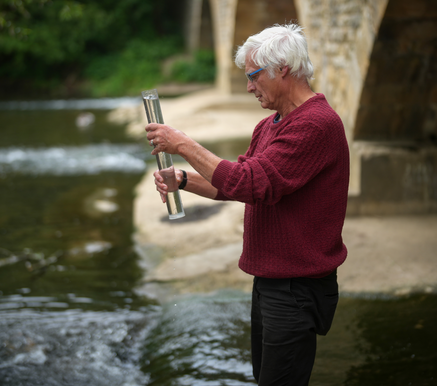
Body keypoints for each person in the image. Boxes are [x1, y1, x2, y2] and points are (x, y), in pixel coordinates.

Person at [145, 23, 349, 385]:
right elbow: (239, 182)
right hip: (272, 282)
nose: (249, 86)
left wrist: (184, 145)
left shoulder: (317, 125)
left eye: (254, 76)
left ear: (282, 69)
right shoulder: (270, 125)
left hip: (298, 288)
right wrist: (183, 179)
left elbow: (251, 182)